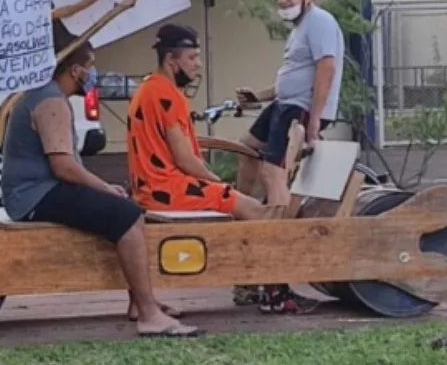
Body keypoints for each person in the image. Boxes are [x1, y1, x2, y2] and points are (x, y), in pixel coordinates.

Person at [0, 26, 203, 338]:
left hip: (36, 192)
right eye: (91, 65)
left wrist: (107, 191)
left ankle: (140, 303)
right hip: (34, 196)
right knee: (127, 214)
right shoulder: (50, 101)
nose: (94, 73)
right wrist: (105, 188)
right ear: (76, 70)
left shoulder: (47, 95)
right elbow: (64, 167)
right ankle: (149, 315)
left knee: (128, 208)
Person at [125, 23, 320, 314]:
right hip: (166, 189)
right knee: (257, 211)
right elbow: (184, 158)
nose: (197, 65)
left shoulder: (147, 89)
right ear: (171, 60)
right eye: (192, 58)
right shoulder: (167, 95)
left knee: (241, 203)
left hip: (150, 187)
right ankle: (275, 294)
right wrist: (217, 183)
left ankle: (140, 304)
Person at [232, 0, 345, 305]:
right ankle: (245, 209)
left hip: (299, 110)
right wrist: (259, 96)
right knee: (245, 147)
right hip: (283, 104)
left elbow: (326, 68)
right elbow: (294, 76)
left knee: (273, 173)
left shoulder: (320, 21)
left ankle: (276, 274)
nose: (284, 0)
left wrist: (312, 123)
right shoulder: (298, 29)